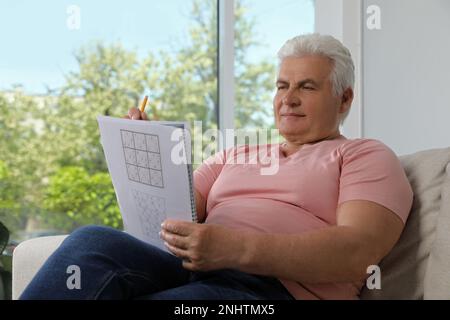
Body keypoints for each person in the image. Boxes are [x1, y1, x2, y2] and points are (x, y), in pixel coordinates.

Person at [20, 33, 413, 300]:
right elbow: (168, 215)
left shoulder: (365, 155)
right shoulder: (235, 154)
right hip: (189, 268)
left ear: (344, 100)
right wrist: (144, 154)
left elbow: (358, 251)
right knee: (92, 241)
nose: (288, 99)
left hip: (264, 292)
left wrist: (235, 248)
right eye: (281, 86)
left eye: (306, 86)